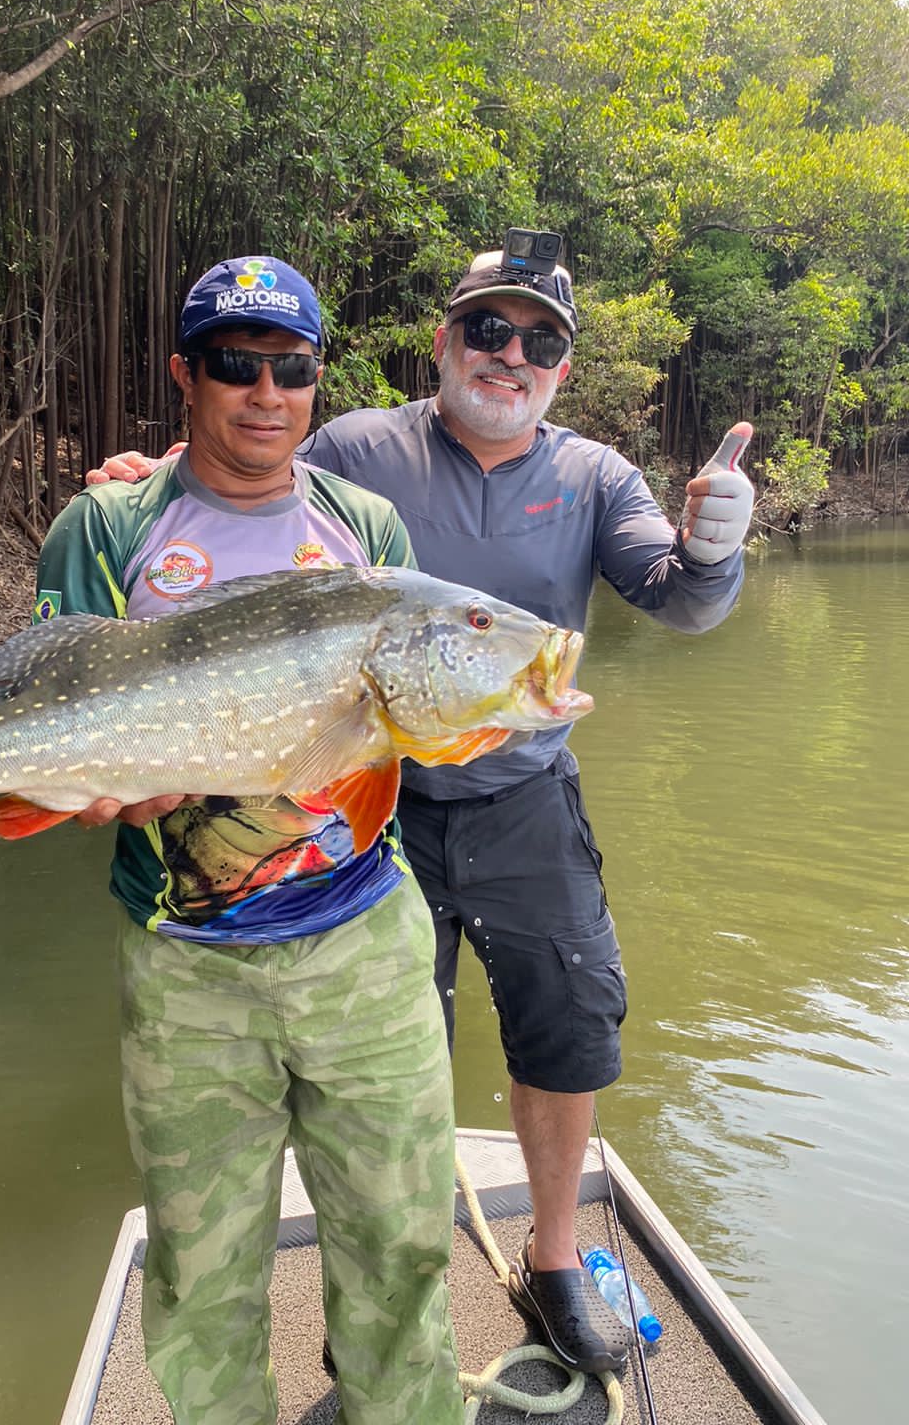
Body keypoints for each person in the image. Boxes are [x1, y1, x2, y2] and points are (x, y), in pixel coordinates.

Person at [87, 231, 755, 1374]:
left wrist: (715, 549)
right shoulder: (359, 448)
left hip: (523, 799)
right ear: (445, 340)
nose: (511, 355)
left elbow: (680, 601)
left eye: (539, 341)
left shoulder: (597, 475)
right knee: (393, 1066)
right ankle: (393, 1301)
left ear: (563, 367)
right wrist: (149, 479)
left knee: (566, 1024)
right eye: (489, 328)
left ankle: (554, 1256)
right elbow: (252, 483)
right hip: (366, 818)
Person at [37, 256, 465, 1425]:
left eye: (293, 367)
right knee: (200, 1269)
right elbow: (52, 701)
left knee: (402, 1241)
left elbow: (400, 724)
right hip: (187, 972)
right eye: (236, 363)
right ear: (186, 375)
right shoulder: (110, 522)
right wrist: (88, 789)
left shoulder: (364, 525)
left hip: (366, 943)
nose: (267, 392)